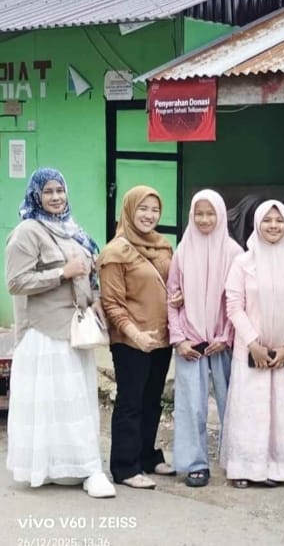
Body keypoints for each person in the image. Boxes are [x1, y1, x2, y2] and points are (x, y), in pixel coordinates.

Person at [5, 168, 115, 498]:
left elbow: (87, 272)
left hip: (75, 329)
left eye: (60, 190)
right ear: (36, 195)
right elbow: (15, 282)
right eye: (48, 191)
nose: (56, 197)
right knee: (50, 404)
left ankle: (83, 467)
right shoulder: (27, 231)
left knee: (77, 402)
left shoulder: (71, 230)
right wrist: (60, 273)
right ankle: (52, 467)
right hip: (44, 333)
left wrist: (94, 299)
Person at [221, 199, 284, 488]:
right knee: (251, 410)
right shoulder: (243, 263)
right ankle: (245, 469)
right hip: (251, 351)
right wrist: (253, 343)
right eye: (267, 220)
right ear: (257, 224)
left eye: (279, 220)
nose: (273, 226)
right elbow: (234, 306)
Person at [99, 185, 175, 490]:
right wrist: (134, 334)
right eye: (142, 208)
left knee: (152, 399)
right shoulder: (115, 252)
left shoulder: (162, 245)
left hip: (161, 337)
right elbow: (112, 303)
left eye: (155, 209)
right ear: (129, 210)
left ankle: (146, 455)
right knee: (131, 402)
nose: (149, 215)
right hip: (131, 340)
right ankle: (124, 466)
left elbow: (169, 284)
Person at [167, 190, 244, 488]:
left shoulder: (235, 254)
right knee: (191, 406)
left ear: (221, 215)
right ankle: (195, 464)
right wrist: (178, 339)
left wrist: (227, 337)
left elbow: (238, 300)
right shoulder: (182, 252)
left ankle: (236, 463)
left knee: (232, 405)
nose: (204, 219)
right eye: (198, 213)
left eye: (210, 213)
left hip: (223, 343)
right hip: (190, 343)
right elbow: (171, 299)